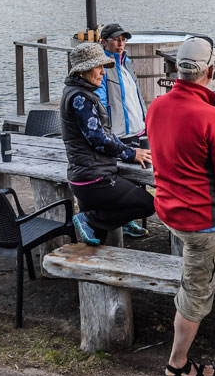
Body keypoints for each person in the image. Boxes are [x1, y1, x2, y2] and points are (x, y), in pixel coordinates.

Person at [147, 36, 215, 376]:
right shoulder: (212, 116)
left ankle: (180, 348)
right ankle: (177, 363)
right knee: (196, 292)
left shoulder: (156, 107)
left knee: (192, 275)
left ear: (175, 70)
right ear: (211, 71)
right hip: (202, 219)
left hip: (169, 210)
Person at [60, 42, 155, 246]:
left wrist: (131, 149)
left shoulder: (80, 92)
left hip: (84, 176)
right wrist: (131, 154)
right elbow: (98, 140)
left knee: (97, 241)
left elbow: (106, 132)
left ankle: (111, 222)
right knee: (149, 204)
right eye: (99, 67)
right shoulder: (80, 98)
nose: (104, 72)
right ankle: (90, 218)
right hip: (94, 178)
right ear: (83, 70)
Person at [96, 22, 151, 238]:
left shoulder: (126, 62)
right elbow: (100, 100)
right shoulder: (101, 66)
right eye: (116, 39)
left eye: (124, 39)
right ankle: (122, 223)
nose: (121, 43)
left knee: (137, 178)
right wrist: (105, 127)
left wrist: (146, 120)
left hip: (137, 130)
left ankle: (128, 220)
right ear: (103, 42)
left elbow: (135, 94)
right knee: (120, 180)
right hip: (117, 133)